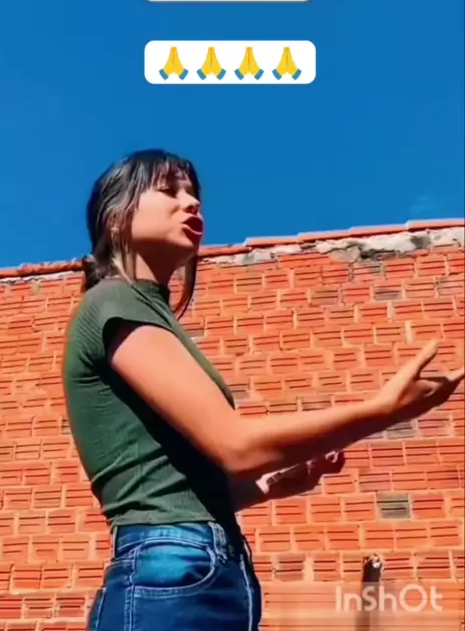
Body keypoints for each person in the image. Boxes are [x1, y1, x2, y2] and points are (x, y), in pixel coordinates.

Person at [62, 149, 464, 631]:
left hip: (200, 566)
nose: (191, 202)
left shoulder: (143, 310)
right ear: (114, 219)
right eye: (168, 190)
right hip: (174, 566)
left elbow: (172, 484)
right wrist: (384, 411)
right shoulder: (115, 301)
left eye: (193, 193)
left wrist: (273, 484)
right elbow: (235, 446)